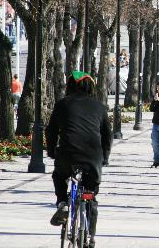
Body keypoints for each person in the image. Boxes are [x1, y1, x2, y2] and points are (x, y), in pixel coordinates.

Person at [46, 71, 112, 248]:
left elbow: (51, 131)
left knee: (59, 176)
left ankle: (62, 203)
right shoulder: (99, 106)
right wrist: (104, 157)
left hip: (67, 154)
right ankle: (90, 237)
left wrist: (51, 150)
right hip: (92, 156)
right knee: (91, 194)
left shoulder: (62, 104)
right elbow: (107, 135)